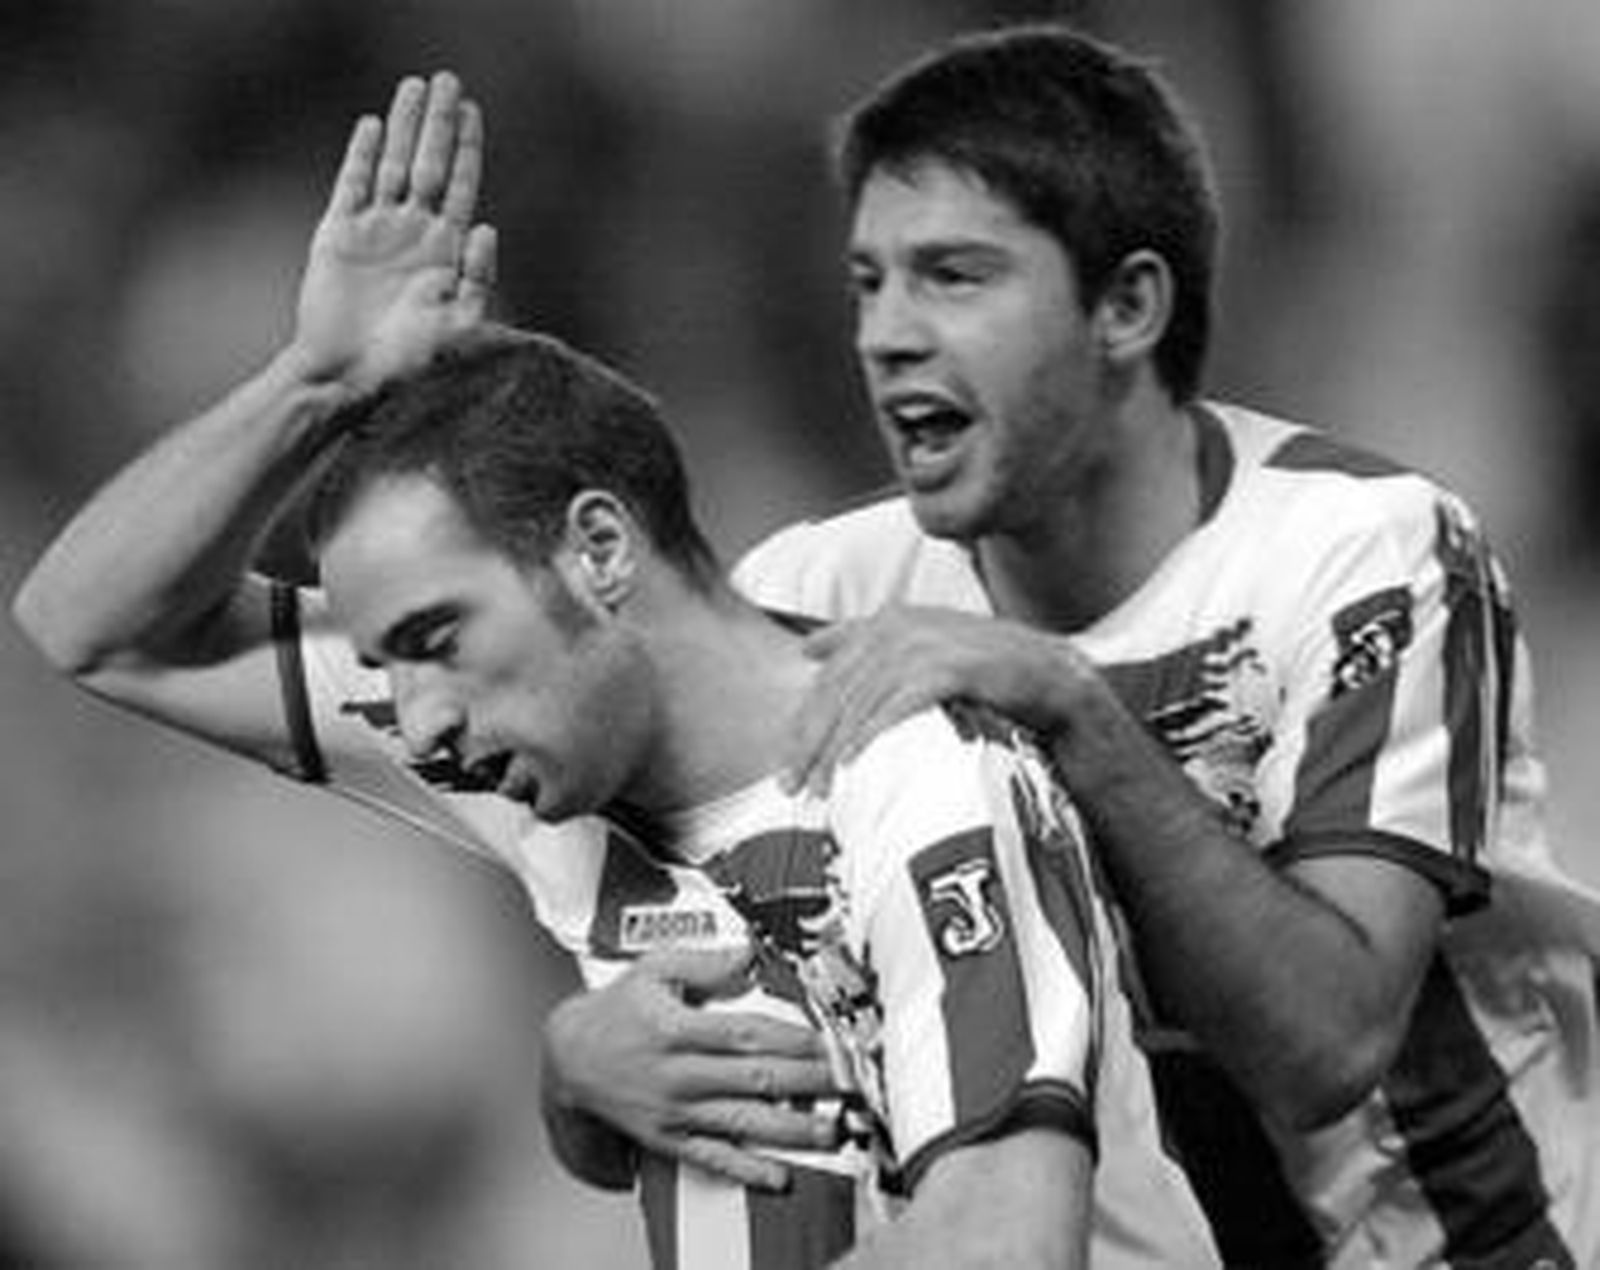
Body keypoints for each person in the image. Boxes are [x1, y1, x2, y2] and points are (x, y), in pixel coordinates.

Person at [10, 70, 1221, 1269]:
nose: (416, 720)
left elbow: (1003, 1247)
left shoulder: (918, 780)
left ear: (597, 549)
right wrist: (315, 384)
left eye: (437, 638)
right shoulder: (529, 749)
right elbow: (94, 626)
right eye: (388, 662)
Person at [542, 21, 1600, 1269]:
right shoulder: (812, 591)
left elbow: (1328, 1048)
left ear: (1128, 305)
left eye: (954, 276)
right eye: (867, 282)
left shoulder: (1366, 554)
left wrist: (1070, 711)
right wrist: (574, 1075)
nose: (885, 332)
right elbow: (711, 1001)